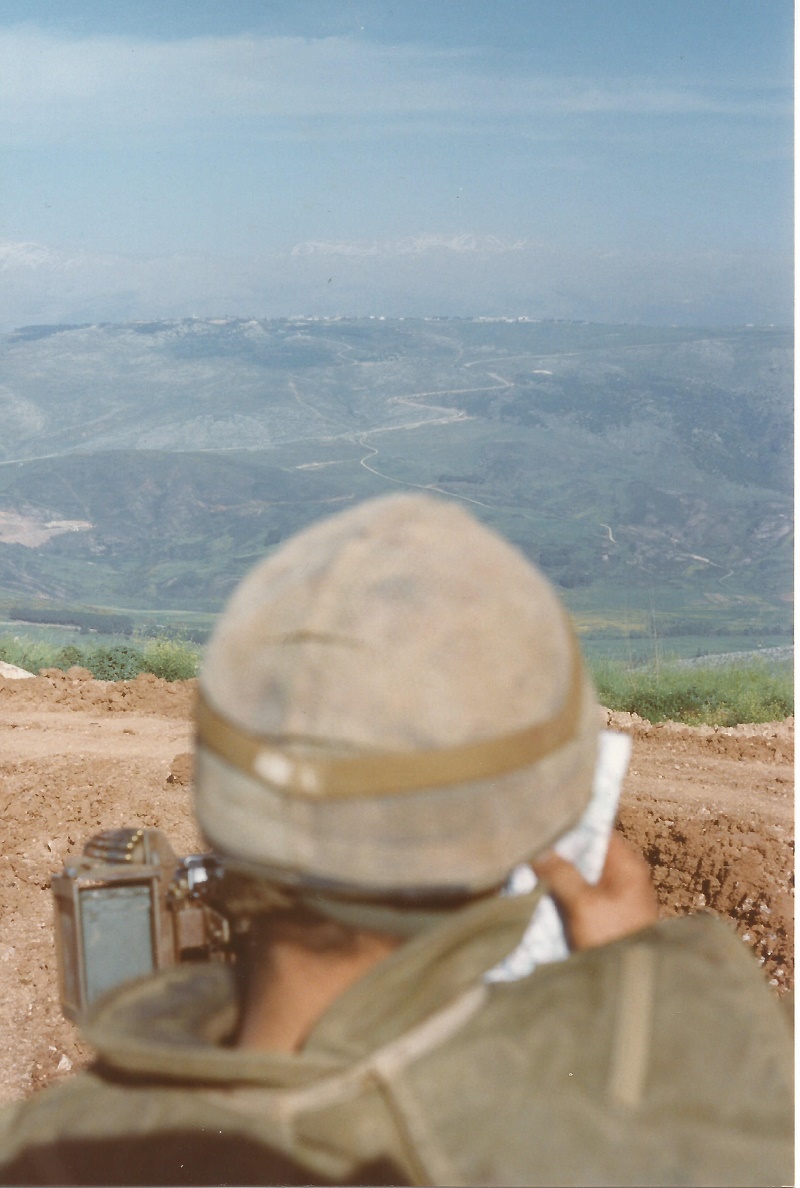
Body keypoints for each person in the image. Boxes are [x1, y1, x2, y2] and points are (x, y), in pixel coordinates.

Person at [0, 493, 792, 1187]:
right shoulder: (718, 1117)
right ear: (545, 832)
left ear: (224, 809)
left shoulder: (55, 1155)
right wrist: (638, 1009)